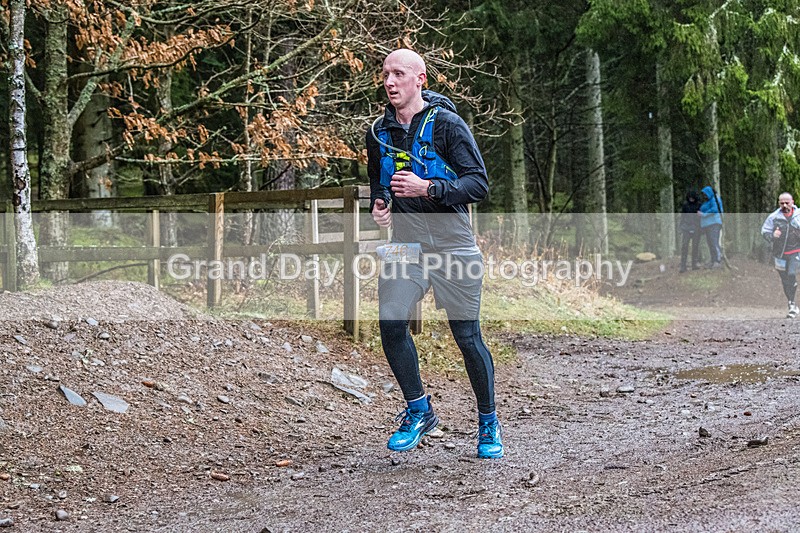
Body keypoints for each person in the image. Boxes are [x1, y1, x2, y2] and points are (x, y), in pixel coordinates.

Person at [367, 49, 502, 459]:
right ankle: (418, 410)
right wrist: (379, 202)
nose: (390, 82)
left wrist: (430, 189)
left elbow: (479, 185)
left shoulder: (448, 125)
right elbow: (378, 180)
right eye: (386, 74)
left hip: (452, 242)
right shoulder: (378, 132)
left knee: (466, 336)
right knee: (390, 323)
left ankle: (488, 422)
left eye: (399, 74)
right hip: (405, 243)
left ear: (420, 79)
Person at [761, 192, 800, 318]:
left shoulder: (798, 215)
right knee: (785, 280)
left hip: (796, 251)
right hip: (780, 253)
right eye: (781, 203)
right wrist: (773, 236)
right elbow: (764, 231)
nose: (784, 205)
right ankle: (791, 304)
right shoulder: (774, 217)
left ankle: (792, 305)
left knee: (791, 274)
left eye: (787, 202)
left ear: (792, 202)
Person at [699, 185, 724, 268]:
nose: (704, 196)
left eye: (705, 194)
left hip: (714, 223)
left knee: (714, 242)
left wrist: (704, 214)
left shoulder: (714, 199)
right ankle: (713, 260)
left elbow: (715, 209)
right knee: (710, 243)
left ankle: (718, 260)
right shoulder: (707, 201)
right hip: (707, 224)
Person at [678, 190, 701, 272]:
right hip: (686, 228)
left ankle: (694, 264)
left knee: (695, 246)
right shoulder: (685, 205)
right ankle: (683, 266)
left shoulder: (699, 205)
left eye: (692, 198)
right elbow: (682, 216)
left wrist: (699, 227)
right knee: (684, 247)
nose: (691, 199)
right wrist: (681, 227)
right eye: (690, 198)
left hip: (696, 228)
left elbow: (700, 217)